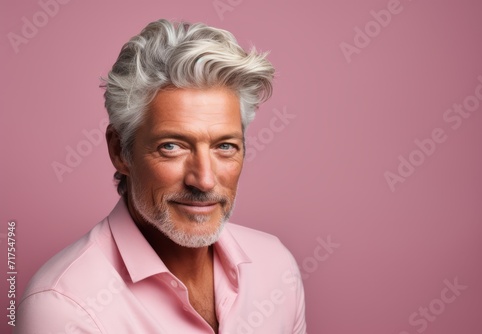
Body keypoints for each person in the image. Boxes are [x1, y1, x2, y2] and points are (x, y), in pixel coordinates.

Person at [15, 19, 306, 333]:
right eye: (172, 146)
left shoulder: (276, 267)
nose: (204, 180)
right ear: (120, 151)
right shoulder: (64, 307)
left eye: (225, 146)